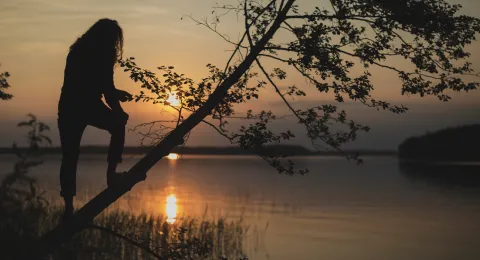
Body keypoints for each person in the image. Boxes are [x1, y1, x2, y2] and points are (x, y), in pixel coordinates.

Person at [57, 18, 132, 219]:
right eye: (114, 38)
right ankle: (111, 177)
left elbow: (101, 87)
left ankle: (68, 207)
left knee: (70, 156)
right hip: (80, 106)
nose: (116, 42)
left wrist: (116, 96)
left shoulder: (78, 51)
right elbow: (103, 88)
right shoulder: (100, 54)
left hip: (71, 107)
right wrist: (117, 109)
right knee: (117, 125)